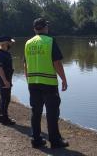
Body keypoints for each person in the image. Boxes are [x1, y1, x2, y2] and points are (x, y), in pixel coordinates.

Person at [24, 18, 69, 149]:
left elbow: (25, 65)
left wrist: (28, 81)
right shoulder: (50, 41)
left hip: (33, 83)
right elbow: (57, 63)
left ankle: (36, 139)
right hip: (48, 82)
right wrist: (64, 79)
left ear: (34, 29)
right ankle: (55, 141)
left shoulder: (28, 43)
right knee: (52, 112)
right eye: (47, 26)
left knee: (36, 111)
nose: (48, 28)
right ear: (45, 28)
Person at [0, 36, 16, 125]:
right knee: (6, 98)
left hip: (6, 78)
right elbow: (0, 69)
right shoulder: (1, 54)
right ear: (6, 43)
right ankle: (4, 119)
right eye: (10, 42)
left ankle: (1, 117)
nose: (11, 43)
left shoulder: (5, 52)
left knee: (4, 97)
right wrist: (5, 81)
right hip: (4, 79)